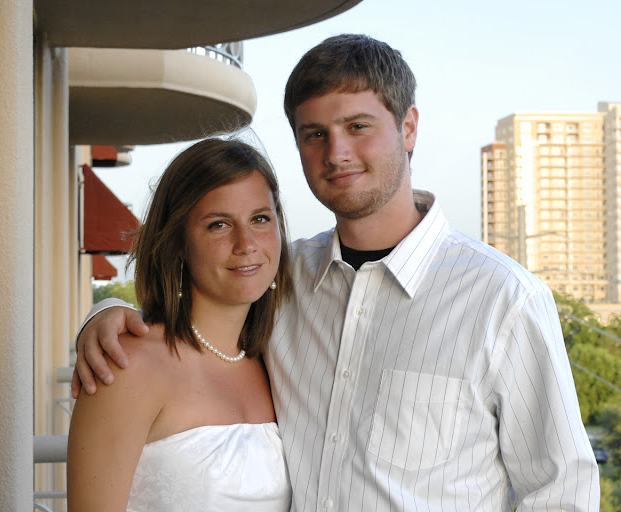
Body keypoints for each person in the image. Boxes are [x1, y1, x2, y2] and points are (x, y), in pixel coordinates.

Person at [73, 34, 600, 511]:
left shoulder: (504, 299)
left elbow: (562, 496)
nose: (337, 153)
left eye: (357, 127)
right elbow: (200, 313)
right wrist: (107, 314)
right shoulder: (285, 281)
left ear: (408, 127)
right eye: (314, 134)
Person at [67, 138, 293, 511]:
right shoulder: (127, 367)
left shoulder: (277, 359)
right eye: (219, 224)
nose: (247, 243)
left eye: (260, 218)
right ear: (179, 243)